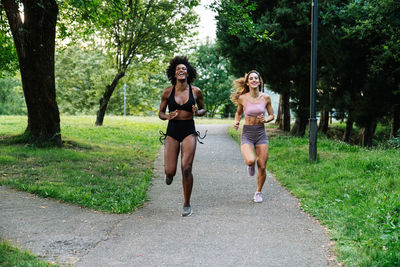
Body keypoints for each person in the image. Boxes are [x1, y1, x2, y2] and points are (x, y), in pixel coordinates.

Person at [158, 56, 206, 217]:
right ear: (174, 72)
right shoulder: (167, 92)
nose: (181, 70)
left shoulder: (196, 91)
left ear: (188, 73)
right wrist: (167, 117)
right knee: (170, 171)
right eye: (178, 69)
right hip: (172, 130)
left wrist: (197, 112)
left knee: (186, 168)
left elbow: (203, 109)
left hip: (188, 130)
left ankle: (186, 203)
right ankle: (169, 175)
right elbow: (160, 113)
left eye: (184, 69)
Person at [231, 70, 274, 203]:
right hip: (248, 134)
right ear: (248, 82)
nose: (254, 80)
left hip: (261, 134)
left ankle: (258, 192)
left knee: (262, 165)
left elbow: (272, 115)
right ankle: (250, 165)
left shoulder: (266, 97)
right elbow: (238, 113)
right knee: (251, 160)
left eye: (256, 78)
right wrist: (237, 121)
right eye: (251, 78)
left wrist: (266, 120)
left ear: (259, 81)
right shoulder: (243, 98)